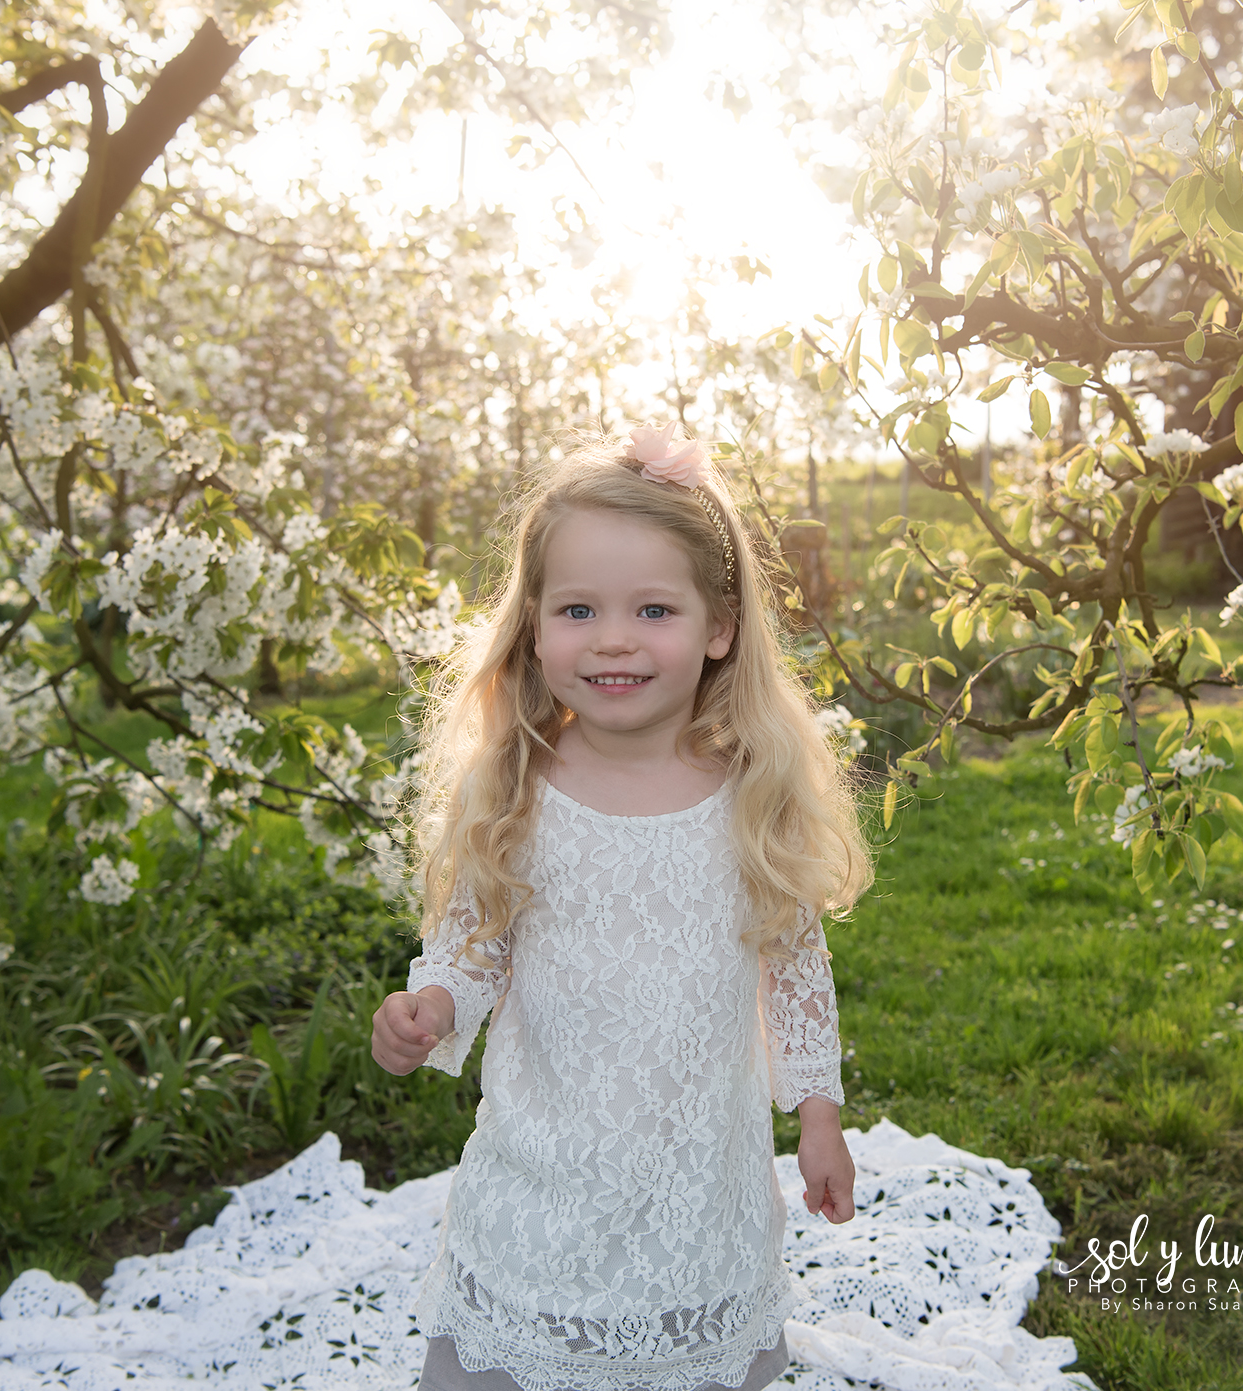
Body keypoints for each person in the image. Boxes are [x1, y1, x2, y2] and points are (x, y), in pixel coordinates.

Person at [371, 423, 873, 1391]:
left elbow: (794, 964)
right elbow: (474, 942)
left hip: (694, 1171)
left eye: (652, 608)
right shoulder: (516, 785)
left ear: (718, 625)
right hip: (541, 1160)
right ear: (532, 624)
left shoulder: (750, 794)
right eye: (576, 608)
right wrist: (431, 1003)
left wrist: (817, 1112)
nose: (611, 639)